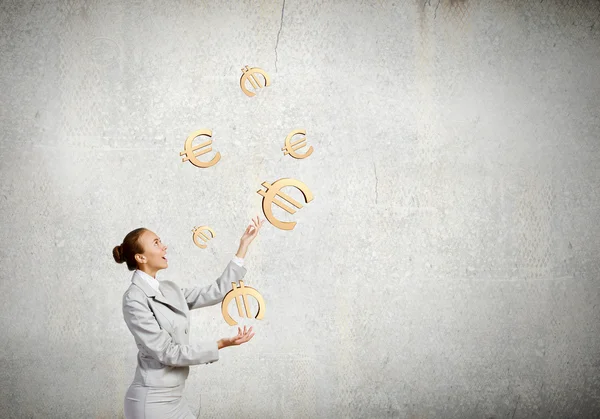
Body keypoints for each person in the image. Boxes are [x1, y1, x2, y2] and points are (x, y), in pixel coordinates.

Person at [114, 216, 265, 419]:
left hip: (175, 400)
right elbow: (167, 352)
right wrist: (220, 343)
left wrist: (243, 246)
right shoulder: (134, 299)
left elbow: (216, 291)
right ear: (141, 257)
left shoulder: (169, 289)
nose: (164, 247)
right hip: (151, 403)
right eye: (156, 243)